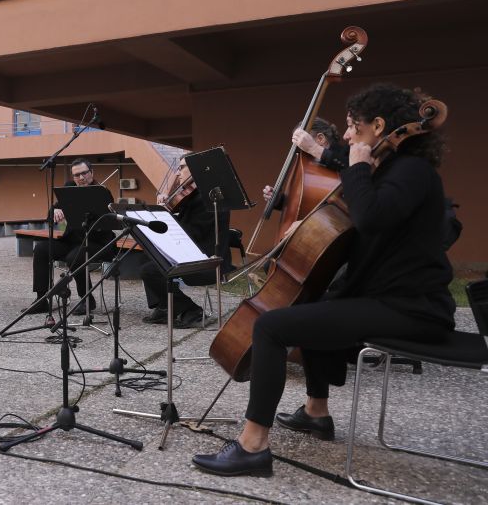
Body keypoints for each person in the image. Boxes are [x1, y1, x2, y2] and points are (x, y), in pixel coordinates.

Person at [192, 84, 456, 477]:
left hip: (413, 308)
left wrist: (359, 168)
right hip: (391, 298)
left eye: (352, 126)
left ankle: (252, 446)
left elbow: (370, 218)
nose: (347, 135)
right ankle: (316, 412)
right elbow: (353, 201)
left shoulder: (412, 172)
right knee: (312, 302)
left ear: (377, 126)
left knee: (270, 327)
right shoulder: (394, 169)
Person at [141, 156, 230, 329]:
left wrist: (165, 217)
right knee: (147, 257)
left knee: (151, 270)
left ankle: (192, 311)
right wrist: (165, 208)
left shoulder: (209, 198)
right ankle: (164, 306)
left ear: (196, 169)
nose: (177, 173)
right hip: (191, 252)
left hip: (206, 259)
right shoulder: (193, 196)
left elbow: (190, 235)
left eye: (181, 168)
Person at [29, 159, 115, 315]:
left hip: (98, 242)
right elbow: (50, 214)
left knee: (74, 257)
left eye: (84, 173)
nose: (81, 178)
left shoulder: (102, 191)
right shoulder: (70, 188)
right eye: (77, 175)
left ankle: (87, 299)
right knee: (41, 249)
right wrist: (54, 211)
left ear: (92, 172)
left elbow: (107, 222)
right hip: (72, 240)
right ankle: (41, 300)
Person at [261, 117, 348, 204]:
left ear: (320, 138)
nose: (302, 151)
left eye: (303, 143)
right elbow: (308, 205)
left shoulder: (348, 154)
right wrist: (280, 200)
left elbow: (350, 169)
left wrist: (313, 148)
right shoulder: (312, 168)